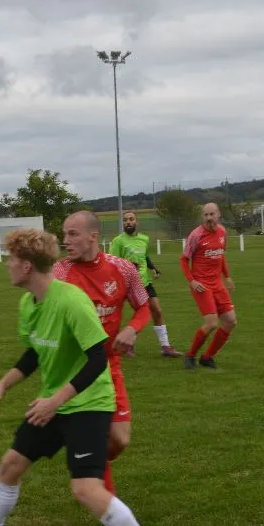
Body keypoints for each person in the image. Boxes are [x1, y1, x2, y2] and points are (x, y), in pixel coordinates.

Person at [0, 228, 140, 526]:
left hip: (89, 404)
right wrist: (3, 385)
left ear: (27, 266)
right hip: (52, 404)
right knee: (10, 466)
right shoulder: (28, 303)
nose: (7, 265)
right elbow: (33, 354)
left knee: (85, 488)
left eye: (11, 259)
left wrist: (55, 401)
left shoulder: (71, 301)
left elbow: (98, 359)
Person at [53, 211, 152, 496]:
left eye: (73, 234)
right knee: (95, 437)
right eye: (64, 234)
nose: (66, 240)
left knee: (119, 440)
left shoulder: (123, 269)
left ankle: (88, 464)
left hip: (110, 365)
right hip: (76, 369)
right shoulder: (60, 273)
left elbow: (143, 306)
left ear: (93, 236)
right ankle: (109, 508)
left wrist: (132, 328)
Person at [109, 211, 181, 358]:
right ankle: (128, 343)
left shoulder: (144, 239)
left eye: (131, 219)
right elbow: (112, 263)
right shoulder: (118, 241)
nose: (128, 222)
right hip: (128, 284)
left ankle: (165, 347)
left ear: (136, 222)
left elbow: (145, 257)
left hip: (145, 282)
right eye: (125, 220)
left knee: (157, 310)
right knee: (141, 313)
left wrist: (153, 268)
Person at [179, 203, 237, 369]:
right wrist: (192, 281)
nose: (209, 218)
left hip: (217, 284)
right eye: (206, 215)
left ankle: (207, 357)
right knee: (212, 323)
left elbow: (221, 255)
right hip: (201, 285)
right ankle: (190, 355)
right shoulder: (196, 235)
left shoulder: (222, 232)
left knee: (230, 321)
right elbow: (184, 260)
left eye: (212, 214)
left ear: (218, 215)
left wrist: (227, 277)